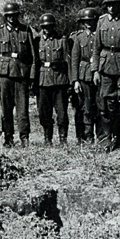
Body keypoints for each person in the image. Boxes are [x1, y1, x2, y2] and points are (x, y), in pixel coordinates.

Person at [91, 0, 120, 152]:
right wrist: (95, 70)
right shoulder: (102, 21)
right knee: (108, 104)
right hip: (105, 67)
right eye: (108, 5)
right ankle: (110, 139)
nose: (111, 8)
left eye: (114, 4)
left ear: (119, 5)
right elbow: (96, 48)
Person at [0, 2, 38, 147]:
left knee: (22, 109)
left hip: (22, 73)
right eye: (9, 15)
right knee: (6, 109)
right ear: (5, 17)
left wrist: (31, 76)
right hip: (4, 74)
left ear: (18, 15)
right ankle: (8, 137)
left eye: (14, 15)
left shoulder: (26, 31)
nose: (11, 18)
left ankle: (24, 137)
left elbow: (33, 56)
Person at [36, 13, 70, 145]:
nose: (47, 29)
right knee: (44, 112)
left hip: (59, 80)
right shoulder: (37, 40)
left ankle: (63, 138)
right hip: (43, 80)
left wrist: (71, 82)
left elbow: (68, 60)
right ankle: (47, 138)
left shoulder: (61, 40)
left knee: (61, 113)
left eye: (49, 27)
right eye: (44, 27)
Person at [70, 7, 99, 144]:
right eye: (85, 21)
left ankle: (101, 134)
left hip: (98, 73)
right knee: (85, 106)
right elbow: (74, 60)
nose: (88, 23)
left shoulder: (100, 34)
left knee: (99, 105)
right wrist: (75, 80)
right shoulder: (79, 37)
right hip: (84, 76)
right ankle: (87, 135)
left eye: (91, 20)